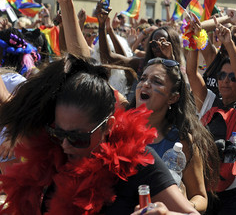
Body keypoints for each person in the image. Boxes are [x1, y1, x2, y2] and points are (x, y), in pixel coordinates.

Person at [0, 54, 199, 215]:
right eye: (58, 133)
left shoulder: (139, 163)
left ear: (108, 127)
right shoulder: (51, 151)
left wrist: (165, 213)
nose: (65, 145)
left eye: (79, 137)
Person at [186, 15, 236, 215]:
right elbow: (191, 73)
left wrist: (229, 44)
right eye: (222, 76)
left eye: (232, 77)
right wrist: (194, 38)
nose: (226, 80)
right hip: (208, 190)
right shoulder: (208, 101)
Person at [127, 57, 219, 213]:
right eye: (143, 78)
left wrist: (185, 205)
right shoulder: (117, 131)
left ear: (173, 97)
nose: (145, 84)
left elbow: (200, 196)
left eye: (157, 81)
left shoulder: (182, 140)